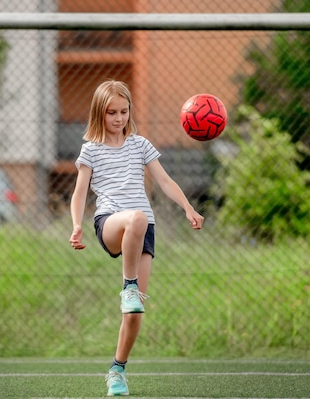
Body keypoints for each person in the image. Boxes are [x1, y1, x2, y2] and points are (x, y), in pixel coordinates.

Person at [69, 80, 204, 396]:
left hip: (143, 231)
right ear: (99, 114)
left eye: (124, 111)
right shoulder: (90, 149)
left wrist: (188, 207)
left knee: (133, 312)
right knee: (136, 217)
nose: (118, 118)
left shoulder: (140, 144)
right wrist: (76, 225)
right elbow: (78, 193)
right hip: (112, 224)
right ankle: (127, 286)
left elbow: (165, 181)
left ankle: (117, 369)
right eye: (111, 113)